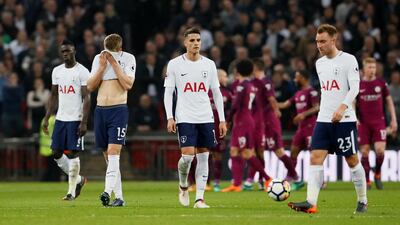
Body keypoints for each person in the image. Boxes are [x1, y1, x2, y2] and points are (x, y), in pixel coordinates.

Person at [288, 24, 367, 214]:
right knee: (315, 157)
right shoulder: (319, 63)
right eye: (317, 42)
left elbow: (355, 88)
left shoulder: (349, 60)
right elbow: (327, 91)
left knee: (352, 159)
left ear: (334, 39)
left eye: (323, 41)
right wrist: (327, 111)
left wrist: (343, 107)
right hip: (323, 119)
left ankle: (362, 200)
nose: (319, 45)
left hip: (344, 119)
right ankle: (311, 202)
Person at [163, 27, 227, 208]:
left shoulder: (209, 64)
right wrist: (170, 117)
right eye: (192, 41)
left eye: (198, 40)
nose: (196, 43)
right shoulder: (175, 64)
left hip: (205, 116)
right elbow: (168, 93)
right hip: (184, 116)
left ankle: (200, 198)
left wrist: (221, 119)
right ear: (185, 43)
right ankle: (183, 185)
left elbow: (216, 92)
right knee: (188, 157)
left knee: (204, 156)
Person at [87, 33, 136, 207]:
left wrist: (114, 64)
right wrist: (101, 67)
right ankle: (119, 197)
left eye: (112, 53)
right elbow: (90, 86)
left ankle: (107, 191)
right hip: (100, 111)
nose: (108, 56)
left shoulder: (129, 59)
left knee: (114, 152)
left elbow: (128, 85)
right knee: (108, 156)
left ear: (120, 50)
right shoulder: (98, 59)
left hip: (118, 110)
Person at [42, 39, 90, 200]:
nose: (65, 54)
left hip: (75, 119)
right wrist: (47, 116)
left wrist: (84, 122)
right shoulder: (57, 71)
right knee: (56, 152)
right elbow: (53, 95)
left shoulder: (82, 71)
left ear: (74, 50)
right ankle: (79, 180)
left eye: (68, 51)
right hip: (61, 119)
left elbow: (87, 98)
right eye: (63, 51)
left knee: (73, 154)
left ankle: (70, 192)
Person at [221, 59, 273, 193]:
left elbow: (236, 104)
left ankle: (267, 178)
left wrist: (228, 119)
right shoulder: (250, 85)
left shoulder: (241, 85)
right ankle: (237, 184)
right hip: (246, 120)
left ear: (237, 71)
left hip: (242, 121)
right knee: (237, 151)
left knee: (244, 152)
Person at [357, 57, 397, 190]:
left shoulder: (381, 83)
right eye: (369, 67)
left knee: (380, 151)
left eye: (373, 67)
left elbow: (389, 101)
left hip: (379, 122)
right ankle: (367, 180)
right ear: (364, 69)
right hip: (363, 124)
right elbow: (352, 103)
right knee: (365, 152)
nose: (372, 70)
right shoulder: (358, 85)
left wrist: (393, 119)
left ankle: (378, 174)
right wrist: (354, 118)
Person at [278, 70, 319, 190]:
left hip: (311, 127)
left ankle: (319, 180)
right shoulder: (298, 93)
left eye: (297, 77)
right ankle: (291, 177)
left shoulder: (311, 92)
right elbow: (285, 104)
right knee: (293, 152)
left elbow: (317, 107)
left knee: (314, 155)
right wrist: (271, 103)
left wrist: (303, 115)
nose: (295, 80)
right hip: (301, 129)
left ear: (303, 78)